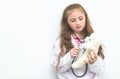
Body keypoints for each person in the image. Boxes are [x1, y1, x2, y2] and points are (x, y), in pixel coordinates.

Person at [51, 3, 105, 79]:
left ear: (85, 17)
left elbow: (100, 70)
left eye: (81, 18)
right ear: (67, 22)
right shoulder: (61, 41)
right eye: (73, 20)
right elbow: (56, 67)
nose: (78, 23)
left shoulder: (93, 40)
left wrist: (94, 62)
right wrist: (69, 57)